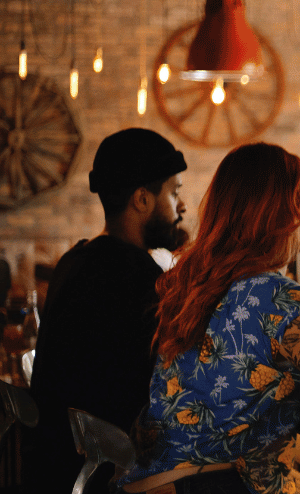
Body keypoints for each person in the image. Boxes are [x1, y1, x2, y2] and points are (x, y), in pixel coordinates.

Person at [118, 143, 300, 494]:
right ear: (284, 212)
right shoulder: (278, 297)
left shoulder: (194, 282)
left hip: (148, 482)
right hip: (206, 486)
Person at [24, 128, 188, 494]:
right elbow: (165, 389)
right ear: (142, 199)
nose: (182, 206)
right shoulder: (138, 278)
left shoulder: (75, 260)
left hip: (54, 466)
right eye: (174, 192)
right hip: (101, 476)